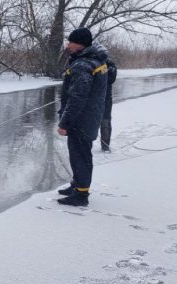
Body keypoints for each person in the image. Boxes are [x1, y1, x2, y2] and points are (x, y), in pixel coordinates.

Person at [56, 27, 108, 206]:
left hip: (82, 119)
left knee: (80, 155)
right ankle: (77, 185)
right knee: (79, 154)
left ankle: (81, 195)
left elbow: (78, 97)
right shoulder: (96, 60)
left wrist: (65, 123)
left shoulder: (83, 65)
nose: (68, 45)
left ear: (79, 44)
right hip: (90, 115)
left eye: (70, 42)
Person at [100, 56, 117, 151]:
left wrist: (101, 69)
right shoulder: (86, 61)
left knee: (105, 121)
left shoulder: (108, 62)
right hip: (90, 99)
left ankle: (105, 146)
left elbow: (111, 78)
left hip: (105, 99)